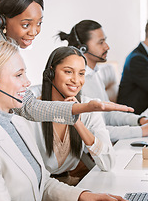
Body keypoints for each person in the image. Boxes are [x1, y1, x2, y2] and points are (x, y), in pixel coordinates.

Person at [0, 40, 131, 201]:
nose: (27, 82)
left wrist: (83, 196)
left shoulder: (16, 122)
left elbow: (43, 182)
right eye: (19, 75)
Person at [0, 0, 132, 144]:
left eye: (39, 23)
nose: (34, 31)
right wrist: (80, 108)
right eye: (26, 24)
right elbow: (28, 106)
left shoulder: (0, 41)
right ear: (2, 19)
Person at [58, 20, 148, 142]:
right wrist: (140, 131)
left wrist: (139, 120)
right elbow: (94, 131)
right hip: (90, 154)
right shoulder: (77, 83)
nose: (107, 47)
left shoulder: (94, 74)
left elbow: (107, 114)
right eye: (101, 42)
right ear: (83, 49)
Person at [28, 46, 115, 186]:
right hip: (39, 190)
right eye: (68, 72)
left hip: (70, 185)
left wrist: (78, 123)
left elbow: (108, 162)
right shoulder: (32, 111)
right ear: (51, 73)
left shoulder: (88, 106)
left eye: (81, 73)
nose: (76, 80)